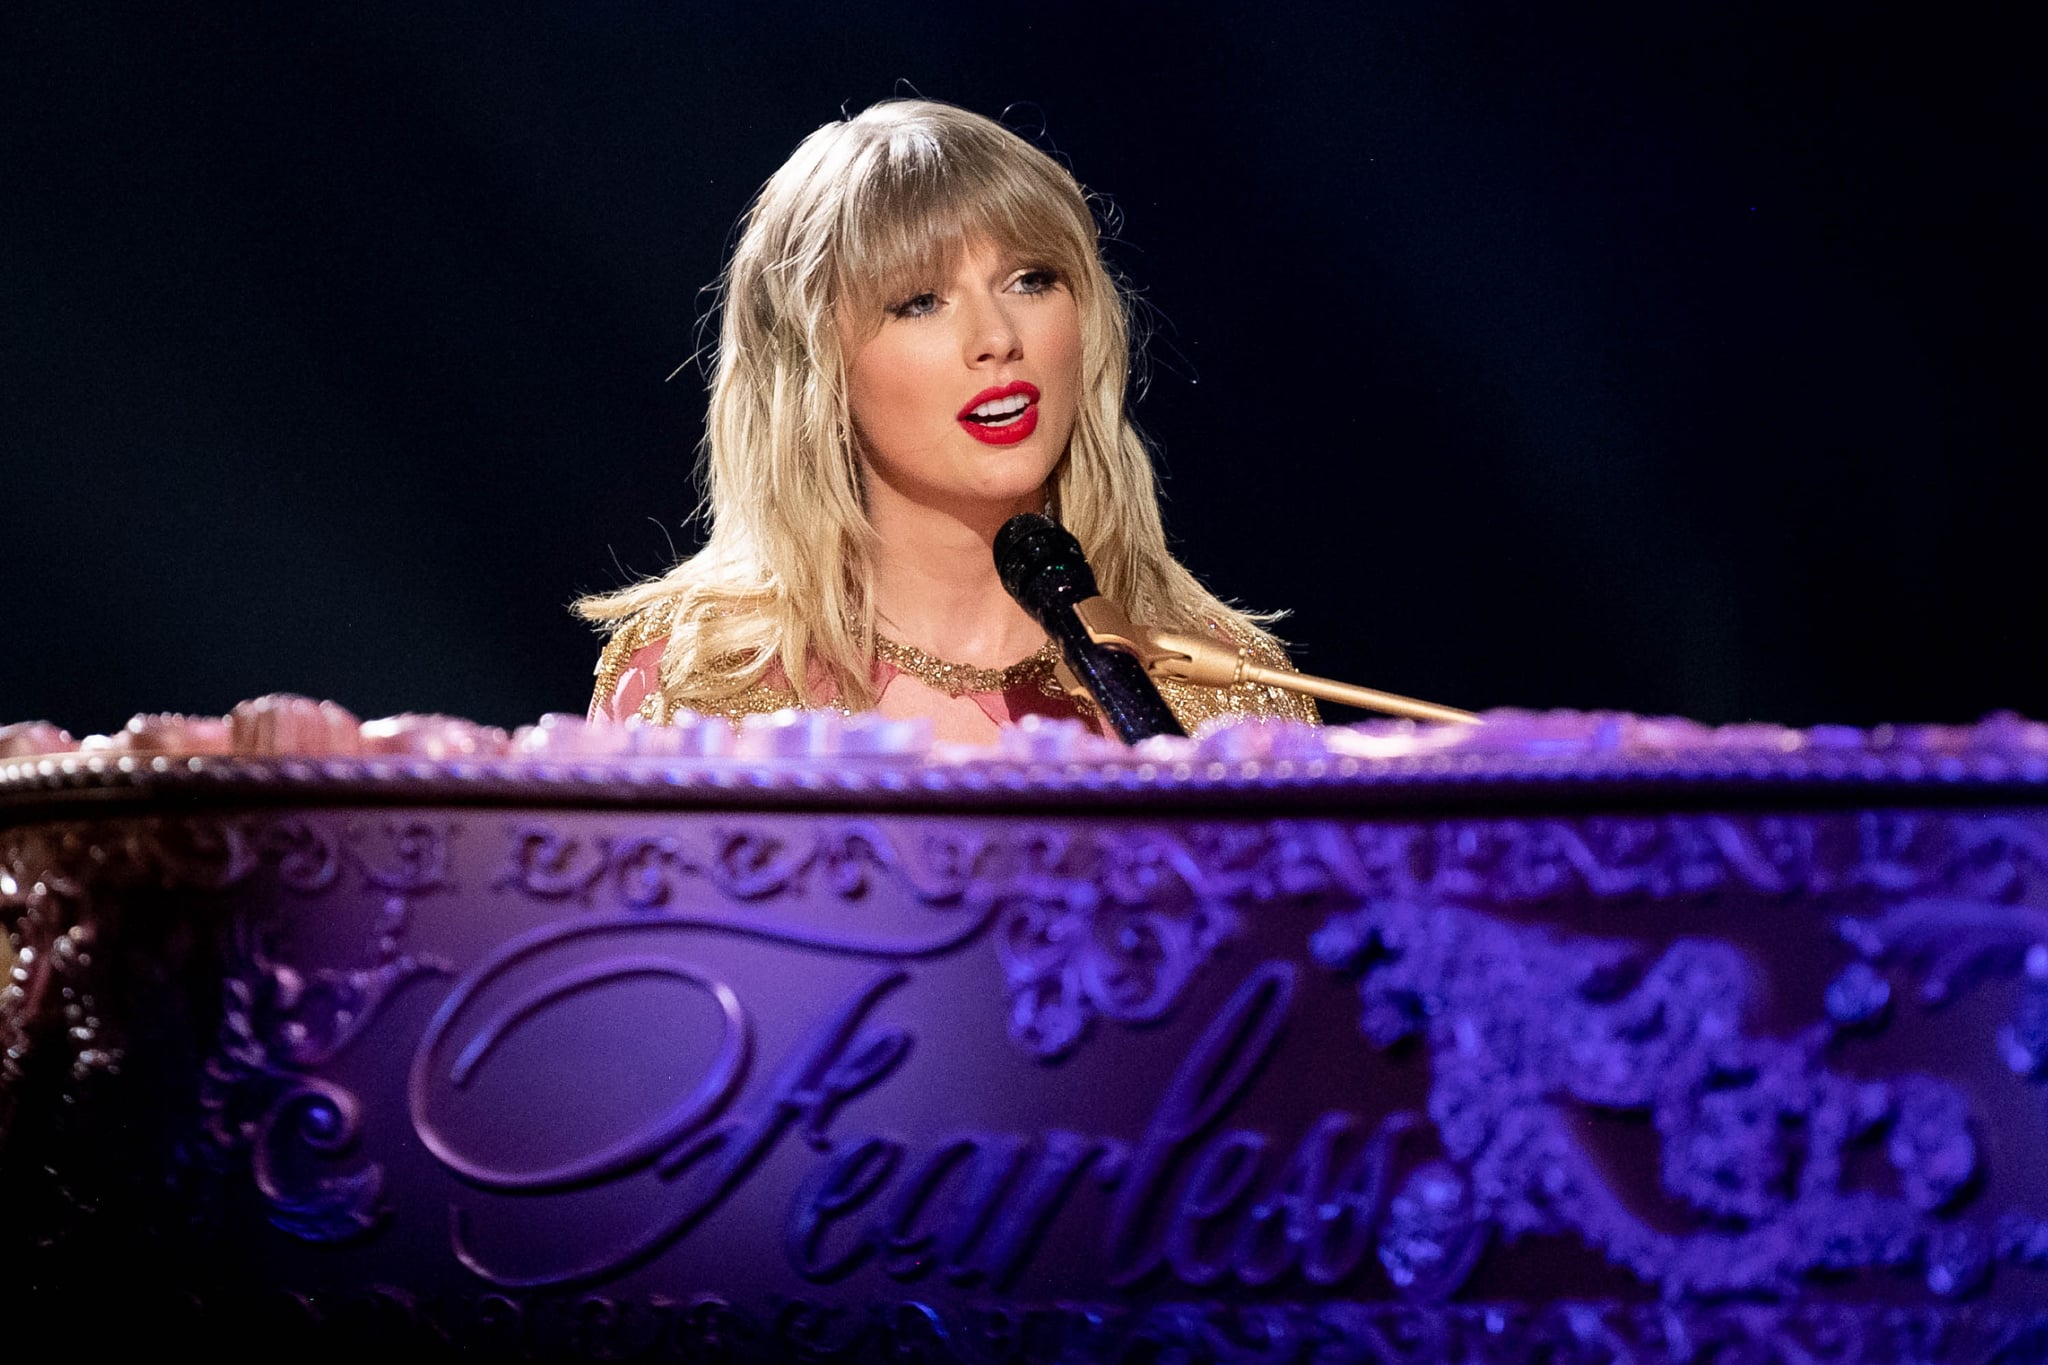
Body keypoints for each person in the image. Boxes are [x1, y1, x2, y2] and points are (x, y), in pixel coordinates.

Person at [579, 99, 1317, 745]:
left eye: (1031, 280)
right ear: (817, 369)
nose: (997, 336)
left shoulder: (1225, 696)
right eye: (920, 301)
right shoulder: (698, 688)